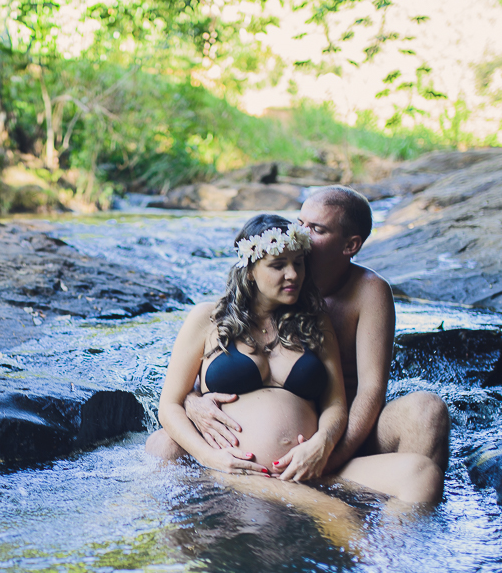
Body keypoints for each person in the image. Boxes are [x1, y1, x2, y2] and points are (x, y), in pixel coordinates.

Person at [148, 194, 446, 505]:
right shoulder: (221, 312)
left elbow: (367, 392)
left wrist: (324, 452)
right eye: (299, 222)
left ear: (350, 245)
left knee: (426, 425)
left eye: (315, 229)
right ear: (252, 268)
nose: (301, 234)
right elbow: (183, 387)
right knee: (162, 443)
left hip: (335, 441)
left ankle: (393, 531)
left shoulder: (353, 301)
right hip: (239, 458)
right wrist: (192, 401)